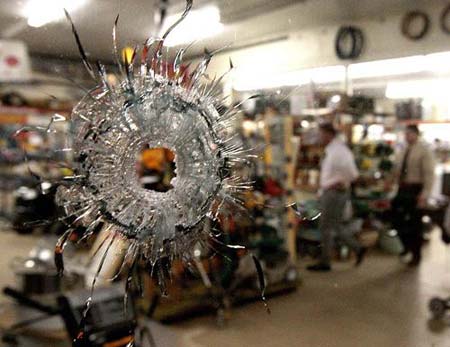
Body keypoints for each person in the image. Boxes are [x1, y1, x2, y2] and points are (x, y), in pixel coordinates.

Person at [307, 123, 366, 272]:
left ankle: (325, 262)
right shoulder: (332, 149)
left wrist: (340, 182)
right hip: (330, 191)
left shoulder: (340, 151)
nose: (319, 137)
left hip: (334, 193)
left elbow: (353, 174)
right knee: (334, 226)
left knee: (326, 227)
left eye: (320, 134)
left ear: (328, 134)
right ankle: (357, 248)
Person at [391, 125, 435, 266]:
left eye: (409, 133)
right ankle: (406, 245)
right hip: (403, 188)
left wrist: (425, 194)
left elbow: (429, 174)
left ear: (416, 134)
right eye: (405, 133)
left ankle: (416, 255)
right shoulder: (403, 150)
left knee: (415, 224)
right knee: (396, 218)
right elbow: (398, 169)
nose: (406, 136)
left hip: (416, 189)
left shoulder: (424, 151)